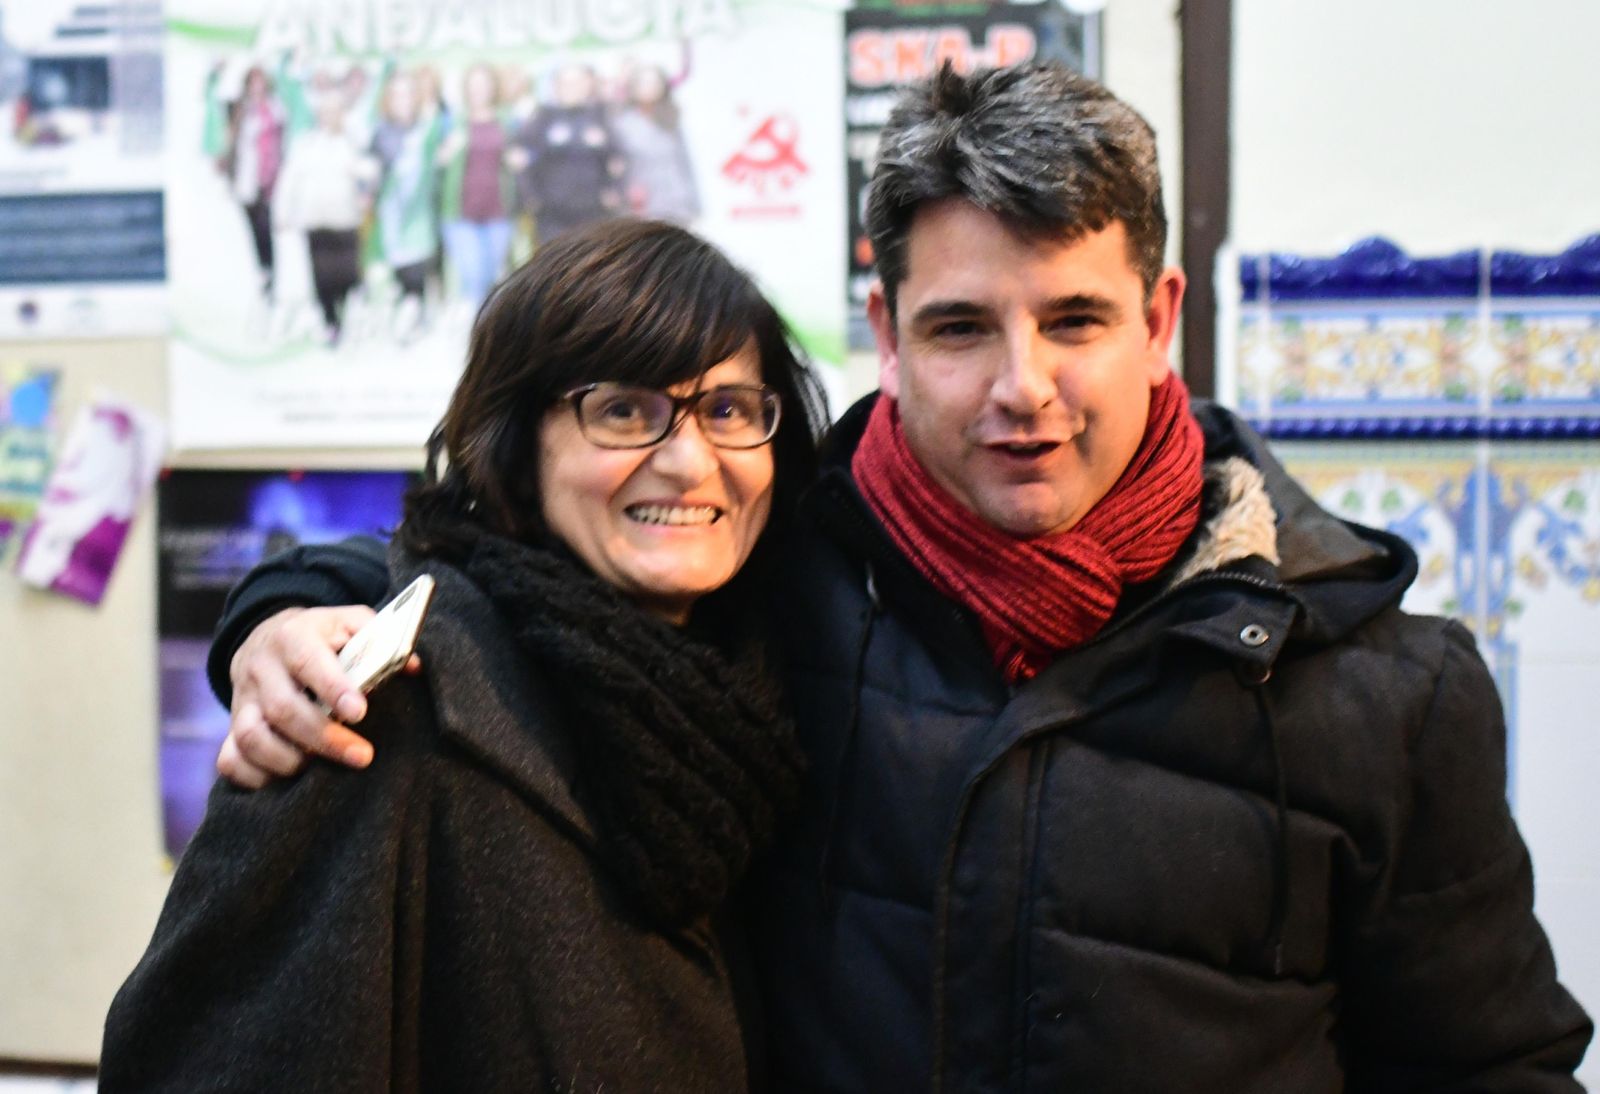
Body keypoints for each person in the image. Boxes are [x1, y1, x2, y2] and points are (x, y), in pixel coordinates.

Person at [199, 63, 1593, 1090]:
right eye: (960, 326)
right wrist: (286, 611)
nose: (1021, 387)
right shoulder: (782, 566)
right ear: (885, 328)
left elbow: (1490, 1069)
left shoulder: (1383, 689)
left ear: (1161, 319)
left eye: (1076, 320)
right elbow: (517, 563)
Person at [100, 219, 829, 1090]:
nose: (688, 460)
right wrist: (272, 613)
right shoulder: (386, 710)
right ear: (520, 445)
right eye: (623, 410)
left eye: (728, 409)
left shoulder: (759, 694)